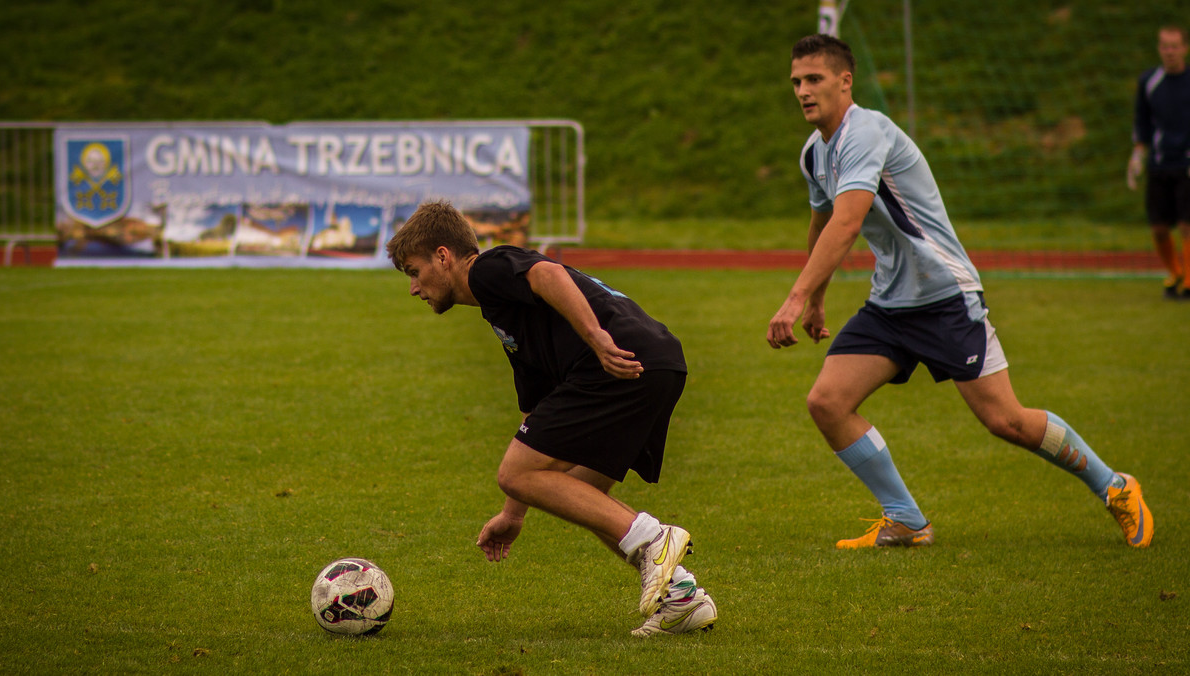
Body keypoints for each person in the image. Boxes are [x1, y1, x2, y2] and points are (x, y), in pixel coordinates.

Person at [766, 34, 1153, 550]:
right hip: (890, 303)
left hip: (946, 296)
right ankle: (906, 519)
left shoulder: (867, 132)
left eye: (814, 79)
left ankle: (1116, 486)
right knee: (828, 402)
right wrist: (815, 300)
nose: (803, 91)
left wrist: (794, 300)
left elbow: (848, 222)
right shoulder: (815, 153)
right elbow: (823, 225)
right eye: (796, 81)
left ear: (845, 81)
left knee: (1006, 420)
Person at [386, 201, 717, 637]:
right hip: (654, 362)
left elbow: (548, 273)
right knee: (579, 492)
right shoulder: (502, 313)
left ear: (444, 257)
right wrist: (515, 514)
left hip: (616, 362)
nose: (414, 287)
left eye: (414, 271)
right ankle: (683, 599)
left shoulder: (486, 269)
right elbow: (535, 413)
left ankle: (655, 539)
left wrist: (597, 338)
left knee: (514, 472)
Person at [1129, 24, 1190, 300]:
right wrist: (1138, 155)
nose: (1170, 51)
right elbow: (1142, 121)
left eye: (1174, 46)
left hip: (1186, 163)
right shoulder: (1150, 82)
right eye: (1164, 46)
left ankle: (1189, 282)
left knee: (1187, 224)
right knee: (1159, 227)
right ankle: (1175, 272)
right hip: (1159, 162)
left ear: (1185, 48)